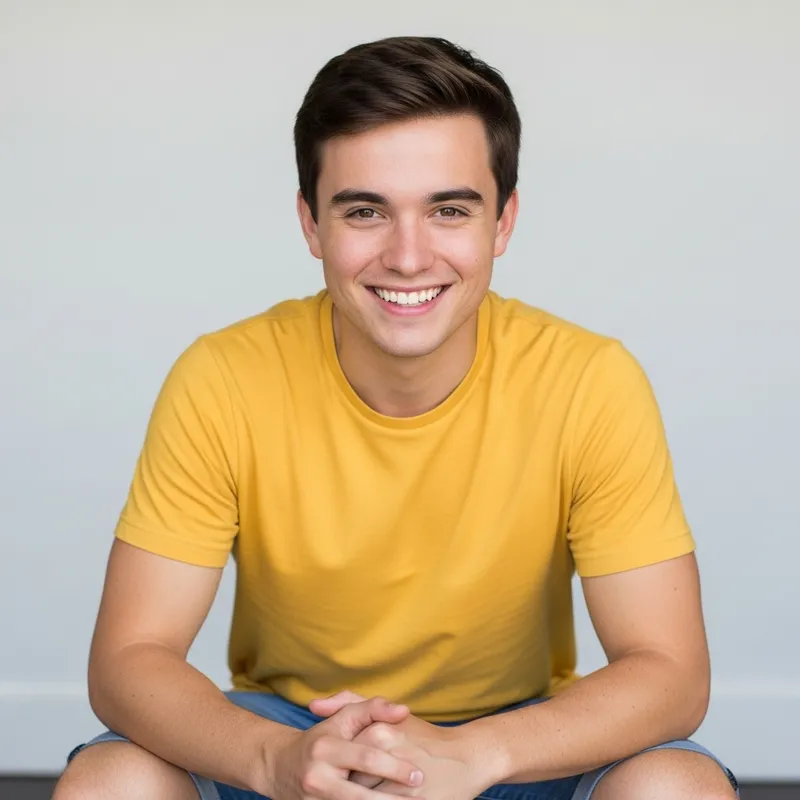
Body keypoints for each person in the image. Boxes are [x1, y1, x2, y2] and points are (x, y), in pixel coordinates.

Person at [53, 36, 739, 800]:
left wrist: (471, 755)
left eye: (449, 209)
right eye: (365, 211)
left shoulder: (590, 381)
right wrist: (273, 760)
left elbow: (672, 675)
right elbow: (128, 658)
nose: (408, 257)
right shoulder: (222, 377)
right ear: (312, 224)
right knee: (111, 781)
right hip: (288, 735)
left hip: (511, 743)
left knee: (675, 785)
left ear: (502, 223)